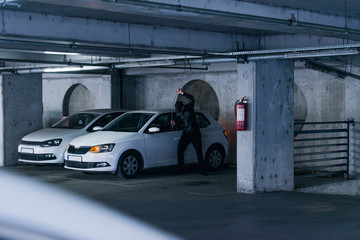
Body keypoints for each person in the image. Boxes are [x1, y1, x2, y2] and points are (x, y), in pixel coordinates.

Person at [171, 88, 207, 175]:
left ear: (183, 106)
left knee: (199, 151)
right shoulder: (178, 112)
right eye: (179, 110)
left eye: (182, 109)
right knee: (180, 150)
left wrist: (182, 93)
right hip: (186, 133)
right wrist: (173, 122)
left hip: (195, 133)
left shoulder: (189, 107)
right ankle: (180, 169)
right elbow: (177, 123)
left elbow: (192, 98)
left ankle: (202, 170)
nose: (181, 111)